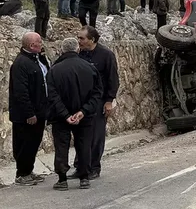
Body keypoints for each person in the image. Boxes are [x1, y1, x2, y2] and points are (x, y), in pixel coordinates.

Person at [47, 37, 103, 191]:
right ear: (78, 49)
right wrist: (83, 111)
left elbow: (52, 96)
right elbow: (97, 93)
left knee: (61, 146)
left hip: (60, 117)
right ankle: (84, 177)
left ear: (62, 50)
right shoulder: (90, 68)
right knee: (84, 145)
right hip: (84, 116)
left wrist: (65, 115)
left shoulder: (54, 70)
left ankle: (62, 179)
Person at [68, 26, 119, 180]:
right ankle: (80, 167)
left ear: (92, 39)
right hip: (82, 102)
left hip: (99, 101)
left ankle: (94, 167)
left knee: (96, 135)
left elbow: (113, 79)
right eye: (78, 38)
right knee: (81, 135)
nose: (79, 41)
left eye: (82, 38)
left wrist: (109, 101)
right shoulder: (79, 54)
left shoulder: (106, 55)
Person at [9, 32, 50, 186]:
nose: (42, 44)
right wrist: (29, 113)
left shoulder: (37, 60)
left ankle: (28, 170)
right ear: (32, 45)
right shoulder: (21, 64)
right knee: (24, 143)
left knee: (34, 142)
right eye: (39, 42)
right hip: (26, 114)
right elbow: (21, 91)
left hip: (39, 111)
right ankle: (21, 174)